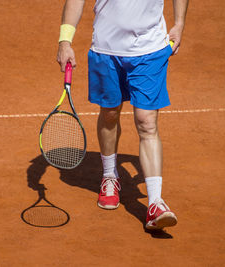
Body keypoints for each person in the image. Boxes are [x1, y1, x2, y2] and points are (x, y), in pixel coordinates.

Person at [57, 0, 189, 230]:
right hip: (106, 49)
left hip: (149, 49)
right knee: (109, 114)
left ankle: (155, 202)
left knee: (147, 122)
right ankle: (110, 175)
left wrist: (179, 23)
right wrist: (65, 40)